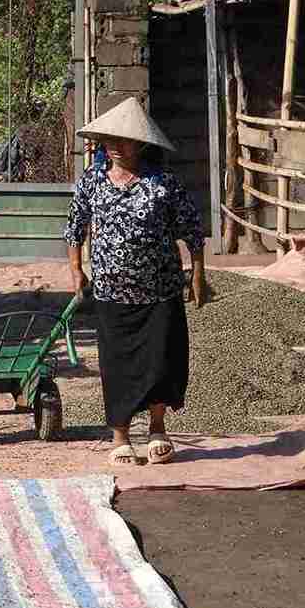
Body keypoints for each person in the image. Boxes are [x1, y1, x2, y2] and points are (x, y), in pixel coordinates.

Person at [63, 98, 208, 466]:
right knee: (118, 365)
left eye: (125, 140)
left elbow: (192, 230)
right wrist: (76, 269)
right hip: (112, 293)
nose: (115, 146)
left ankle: (158, 429)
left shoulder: (163, 183)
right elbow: (74, 227)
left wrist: (198, 275)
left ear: (142, 144)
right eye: (110, 138)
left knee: (161, 361)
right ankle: (121, 436)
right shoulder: (92, 181)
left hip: (160, 291)